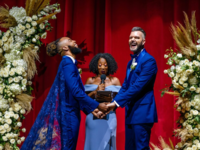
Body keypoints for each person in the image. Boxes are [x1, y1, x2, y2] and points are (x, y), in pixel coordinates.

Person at [21, 37, 108, 150]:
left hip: (69, 113)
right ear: (65, 48)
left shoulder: (68, 64)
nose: (75, 41)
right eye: (71, 40)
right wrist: (97, 105)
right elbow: (76, 92)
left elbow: (72, 94)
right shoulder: (68, 64)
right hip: (69, 115)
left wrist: (92, 110)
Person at [107, 27, 158, 150]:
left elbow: (137, 87)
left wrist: (116, 103)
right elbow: (125, 86)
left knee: (140, 148)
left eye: (136, 37)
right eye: (131, 37)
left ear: (143, 41)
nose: (133, 40)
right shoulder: (131, 63)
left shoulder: (149, 61)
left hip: (142, 113)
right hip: (130, 113)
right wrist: (112, 102)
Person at [84, 53, 121, 150]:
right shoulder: (90, 80)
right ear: (96, 66)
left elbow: (120, 99)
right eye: (100, 65)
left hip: (110, 117)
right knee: (93, 145)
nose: (103, 67)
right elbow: (84, 99)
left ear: (109, 65)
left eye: (105, 65)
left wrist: (108, 108)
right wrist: (95, 91)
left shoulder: (115, 81)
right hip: (93, 116)